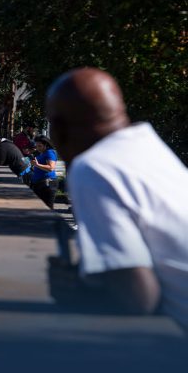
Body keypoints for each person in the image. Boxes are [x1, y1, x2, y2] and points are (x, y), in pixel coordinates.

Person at [45, 67, 188, 330]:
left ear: (59, 128)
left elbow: (138, 298)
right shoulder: (148, 146)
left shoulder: (93, 167)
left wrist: (79, 294)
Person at [29, 135, 58, 209]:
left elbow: (51, 168)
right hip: (39, 183)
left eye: (40, 146)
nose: (38, 148)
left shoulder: (49, 153)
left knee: (47, 209)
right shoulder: (42, 153)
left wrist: (37, 165)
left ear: (46, 145)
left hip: (47, 184)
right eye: (37, 146)